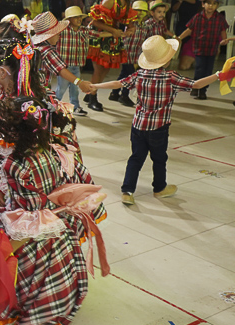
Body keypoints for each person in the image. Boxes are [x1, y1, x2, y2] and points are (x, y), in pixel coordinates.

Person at [0, 94, 104, 325]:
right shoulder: (54, 152)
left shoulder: (12, 164)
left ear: (11, 128)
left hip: (23, 246)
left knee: (4, 306)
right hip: (57, 242)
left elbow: (18, 213)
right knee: (29, 303)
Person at [91, 36, 221, 205]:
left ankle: (127, 191)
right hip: (159, 128)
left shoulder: (139, 74)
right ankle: (159, 188)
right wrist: (218, 75)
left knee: (136, 158)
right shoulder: (170, 77)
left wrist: (95, 86)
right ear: (166, 60)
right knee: (159, 159)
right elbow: (196, 84)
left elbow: (118, 83)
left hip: (138, 125)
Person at [87, 0, 139, 111]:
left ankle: (90, 93)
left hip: (111, 37)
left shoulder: (125, 1)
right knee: (99, 69)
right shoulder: (109, 1)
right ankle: (92, 97)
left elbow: (129, 20)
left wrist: (131, 28)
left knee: (106, 68)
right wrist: (113, 31)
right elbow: (95, 22)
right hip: (100, 36)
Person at [177, 0, 228, 101]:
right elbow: (189, 30)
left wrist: (224, 40)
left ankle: (203, 90)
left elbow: (223, 30)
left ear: (217, 6)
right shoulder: (197, 17)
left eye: (214, 4)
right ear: (203, 4)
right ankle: (196, 87)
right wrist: (179, 38)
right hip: (199, 48)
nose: (211, 6)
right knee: (199, 69)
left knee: (208, 70)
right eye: (208, 3)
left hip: (212, 49)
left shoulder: (220, 18)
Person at [118, 1, 170, 107]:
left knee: (125, 74)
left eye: (143, 11)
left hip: (136, 53)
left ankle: (114, 93)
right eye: (138, 10)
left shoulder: (144, 25)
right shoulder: (130, 23)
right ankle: (124, 95)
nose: (140, 13)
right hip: (127, 52)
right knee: (130, 74)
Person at [54, 6, 92, 116]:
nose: (79, 19)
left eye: (80, 17)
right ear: (69, 19)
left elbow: (97, 34)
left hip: (76, 65)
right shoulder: (62, 29)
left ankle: (75, 106)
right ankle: (53, 106)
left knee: (75, 87)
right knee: (62, 88)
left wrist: (115, 33)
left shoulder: (83, 31)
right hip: (64, 67)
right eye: (75, 17)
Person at [170, 0, 201, 70]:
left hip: (196, 21)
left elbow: (197, 1)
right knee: (181, 32)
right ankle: (185, 56)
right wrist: (180, 1)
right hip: (183, 22)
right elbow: (173, 9)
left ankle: (195, 57)